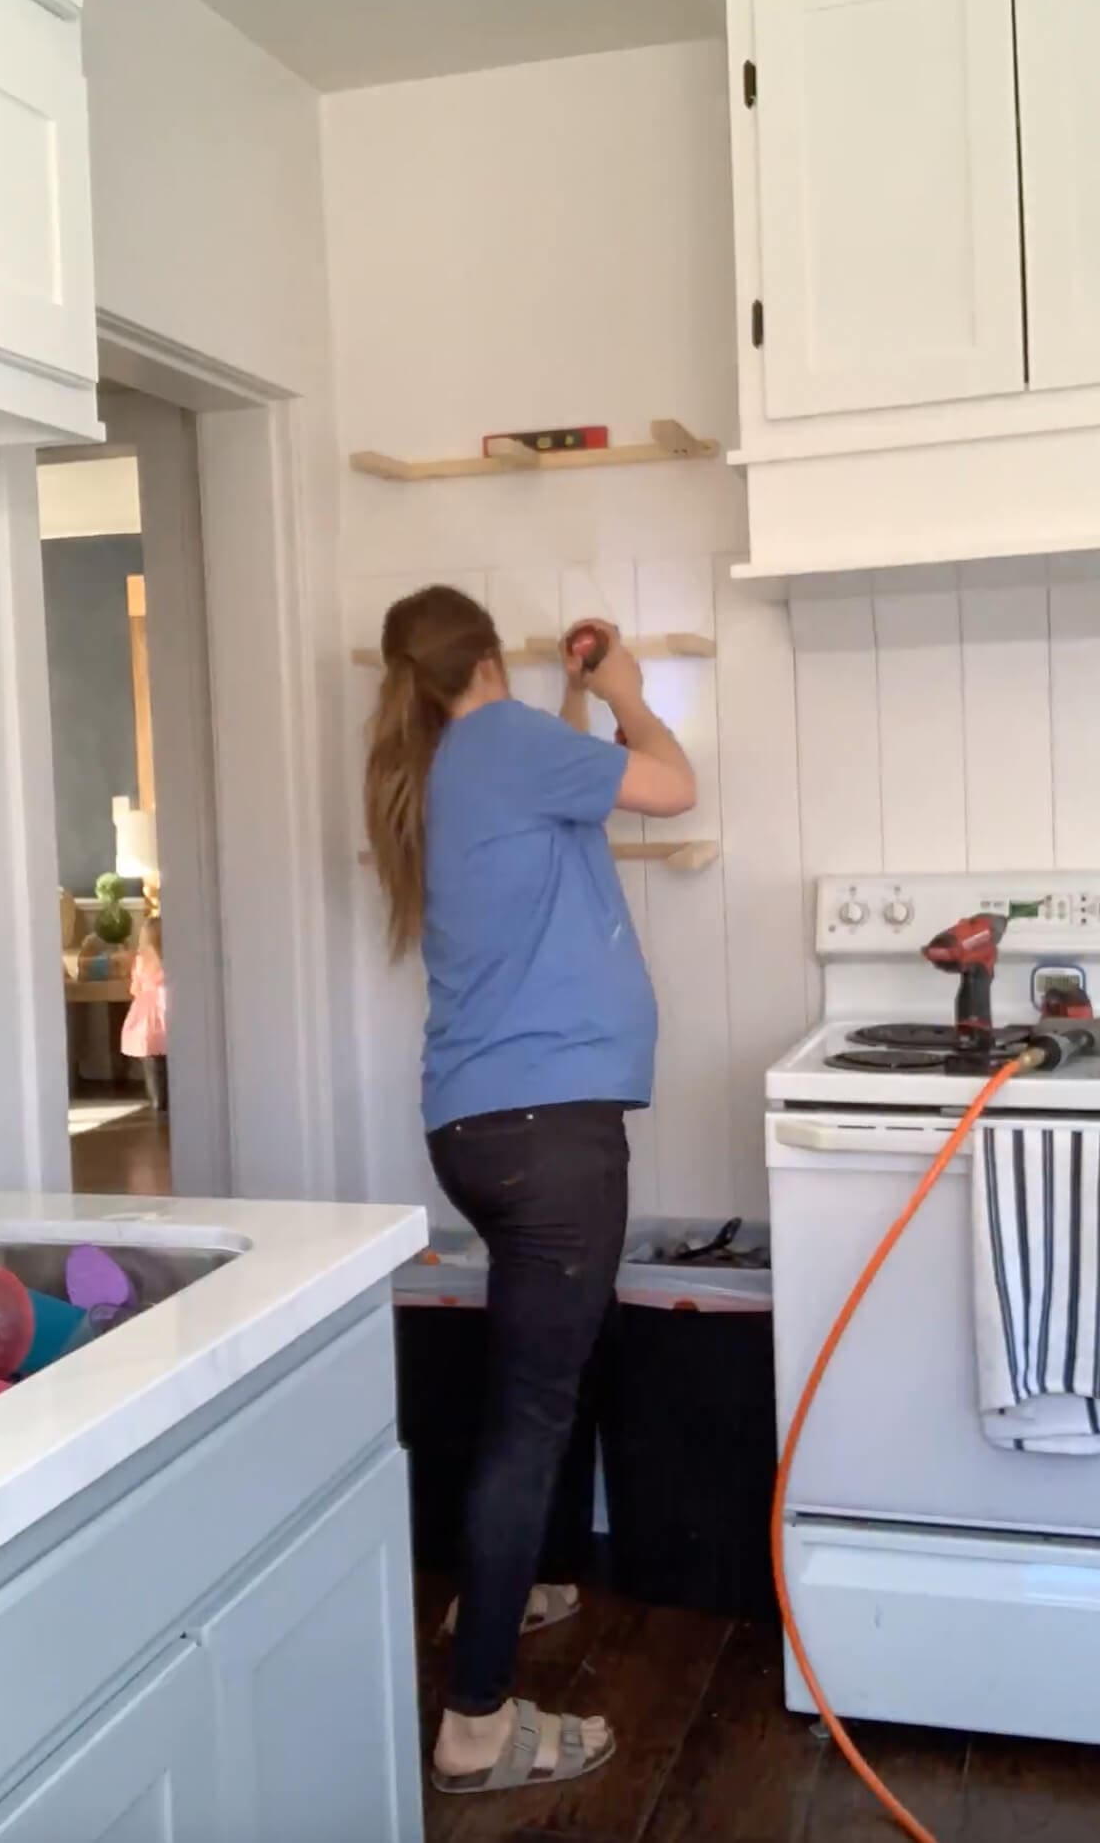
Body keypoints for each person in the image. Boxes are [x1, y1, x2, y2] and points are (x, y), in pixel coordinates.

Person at [364, 584, 695, 1796]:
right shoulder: (509, 747)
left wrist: (568, 700)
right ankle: (475, 1726)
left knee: (531, 1389)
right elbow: (670, 784)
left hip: (487, 1131)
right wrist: (625, 698)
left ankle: (509, 1591)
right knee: (530, 1414)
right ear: (486, 652)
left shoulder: (461, 758)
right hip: (549, 1137)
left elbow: (562, 810)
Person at [121, 915, 168, 1111]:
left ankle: (157, 1100)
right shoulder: (169, 960)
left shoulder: (140, 961)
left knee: (151, 1063)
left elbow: (135, 989)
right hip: (163, 1013)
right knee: (167, 1062)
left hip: (144, 1018)